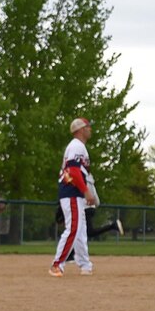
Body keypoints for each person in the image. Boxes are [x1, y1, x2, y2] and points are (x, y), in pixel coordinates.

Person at [51, 117, 99, 276]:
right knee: (73, 228)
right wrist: (85, 190)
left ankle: (85, 264)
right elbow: (73, 171)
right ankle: (57, 264)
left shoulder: (79, 147)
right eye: (88, 126)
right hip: (71, 191)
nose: (90, 129)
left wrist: (85, 190)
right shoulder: (76, 146)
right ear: (80, 130)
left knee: (80, 230)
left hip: (75, 192)